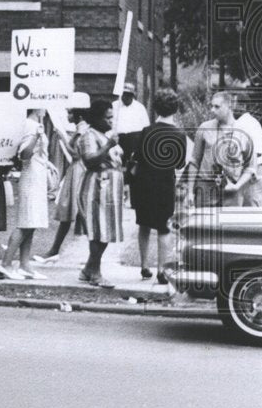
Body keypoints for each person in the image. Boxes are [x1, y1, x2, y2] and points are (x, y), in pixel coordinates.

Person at [134, 88, 187, 283]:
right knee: (164, 228)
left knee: (144, 225)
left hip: (144, 184)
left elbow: (138, 158)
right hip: (165, 185)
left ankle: (144, 266)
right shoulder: (179, 134)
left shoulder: (146, 131)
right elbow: (180, 163)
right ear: (175, 109)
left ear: (155, 108)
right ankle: (162, 271)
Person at [35, 96, 91, 263]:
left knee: (80, 212)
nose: (67, 116)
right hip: (75, 170)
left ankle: (91, 257)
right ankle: (55, 250)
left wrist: (61, 136)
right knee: (70, 212)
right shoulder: (81, 129)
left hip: (79, 170)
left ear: (78, 115)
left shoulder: (83, 131)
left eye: (69, 113)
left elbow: (75, 154)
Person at [0, 109, 50, 281]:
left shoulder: (37, 124)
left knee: (32, 222)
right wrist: (36, 136)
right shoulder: (30, 125)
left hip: (39, 175)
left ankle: (25, 264)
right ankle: (6, 263)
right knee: (25, 222)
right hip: (31, 177)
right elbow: (24, 155)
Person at [79, 99, 125, 288]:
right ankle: (95, 273)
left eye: (112, 117)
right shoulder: (88, 135)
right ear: (97, 118)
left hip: (111, 189)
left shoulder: (105, 135)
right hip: (97, 187)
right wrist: (108, 147)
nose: (111, 121)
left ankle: (88, 269)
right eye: (107, 117)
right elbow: (89, 160)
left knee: (107, 231)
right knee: (99, 231)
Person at [186, 91, 255, 208]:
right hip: (206, 188)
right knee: (204, 225)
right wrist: (190, 193)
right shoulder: (204, 128)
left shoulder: (244, 132)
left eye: (217, 106)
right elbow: (194, 161)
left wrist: (237, 186)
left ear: (230, 106)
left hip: (232, 190)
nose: (212, 110)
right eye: (211, 106)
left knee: (230, 225)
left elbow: (251, 167)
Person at [235, 107, 262, 207]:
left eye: (235, 101)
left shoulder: (249, 123)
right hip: (244, 172)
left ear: (244, 106)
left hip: (253, 172)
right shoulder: (239, 122)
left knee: (252, 212)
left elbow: (256, 153)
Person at [112, 81, 150, 167]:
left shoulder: (140, 107)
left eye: (129, 94)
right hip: (118, 141)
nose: (126, 96)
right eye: (124, 94)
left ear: (133, 95)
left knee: (133, 169)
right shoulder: (114, 106)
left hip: (134, 142)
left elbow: (146, 128)